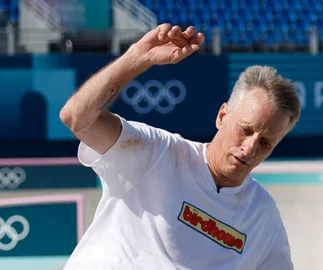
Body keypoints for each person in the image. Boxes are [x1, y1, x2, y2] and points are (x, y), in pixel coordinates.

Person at [60, 23, 301, 270]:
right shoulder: (158, 152)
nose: (250, 149)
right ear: (222, 116)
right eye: (245, 130)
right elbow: (77, 118)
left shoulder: (262, 215)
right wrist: (137, 59)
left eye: (265, 143)